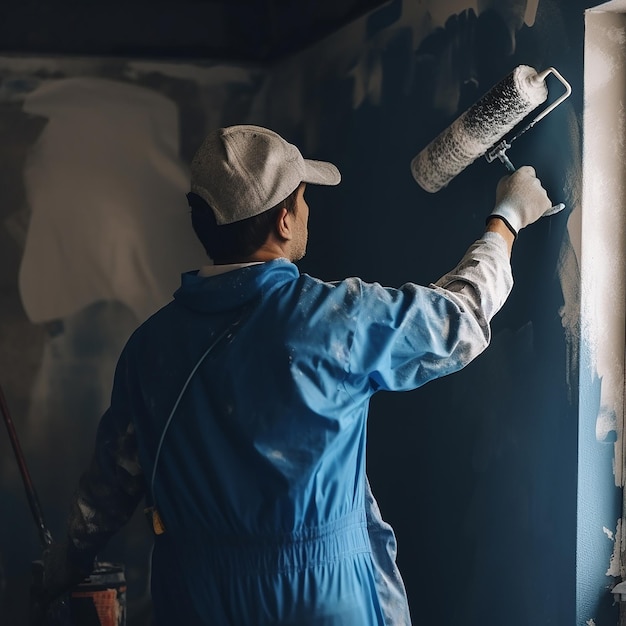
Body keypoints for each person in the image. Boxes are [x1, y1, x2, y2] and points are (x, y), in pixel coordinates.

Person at [37, 124, 554, 625]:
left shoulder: (148, 346)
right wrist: (506, 218)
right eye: (304, 199)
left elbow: (110, 484)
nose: (307, 211)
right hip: (316, 596)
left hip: (191, 595)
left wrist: (69, 562)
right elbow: (454, 319)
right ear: (285, 219)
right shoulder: (333, 318)